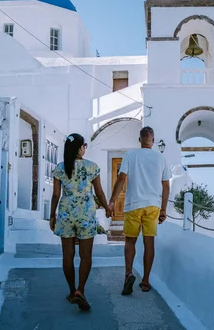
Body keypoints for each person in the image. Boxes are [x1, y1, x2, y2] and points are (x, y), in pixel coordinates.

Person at [50, 133, 110, 311]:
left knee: (67, 256)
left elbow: (55, 195)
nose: (85, 148)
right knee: (86, 256)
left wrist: (52, 215)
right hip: (86, 215)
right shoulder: (92, 167)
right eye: (84, 145)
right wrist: (107, 207)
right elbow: (99, 193)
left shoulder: (60, 168)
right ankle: (80, 290)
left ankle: (71, 292)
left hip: (66, 214)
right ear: (79, 147)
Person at [109, 126, 171, 295]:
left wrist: (112, 201)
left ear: (139, 139)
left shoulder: (130, 155)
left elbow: (121, 178)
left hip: (133, 205)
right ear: (153, 139)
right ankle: (145, 281)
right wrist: (163, 209)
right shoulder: (161, 158)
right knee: (148, 243)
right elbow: (166, 186)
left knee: (130, 242)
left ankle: (128, 274)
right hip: (152, 205)